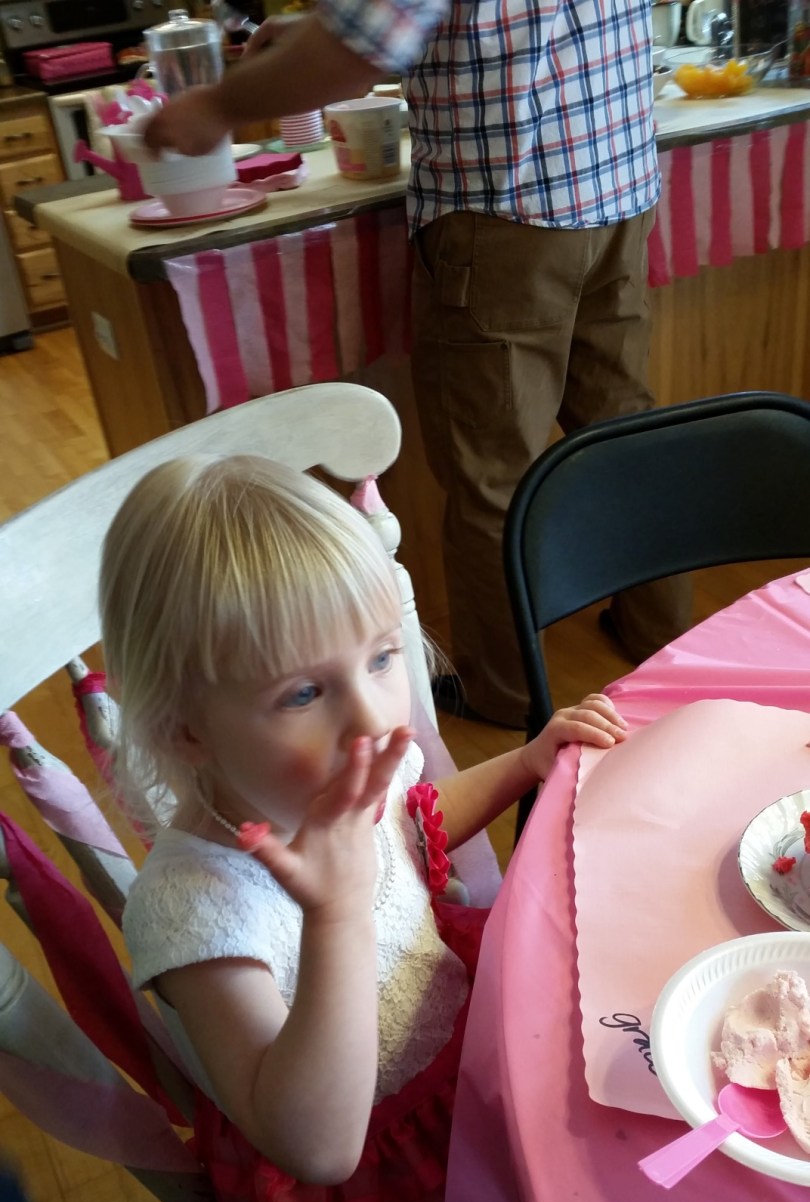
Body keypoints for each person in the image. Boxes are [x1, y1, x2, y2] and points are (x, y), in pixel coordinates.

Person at [100, 453, 627, 1202]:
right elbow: (316, 1142)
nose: (377, 719)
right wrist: (337, 914)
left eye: (385, 657)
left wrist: (521, 764)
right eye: (305, 690)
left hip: (475, 1064)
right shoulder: (196, 910)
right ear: (186, 730)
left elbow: (415, 830)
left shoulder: (338, 773)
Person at [144, 1, 692, 730]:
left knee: (494, 474)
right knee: (626, 434)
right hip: (615, 183)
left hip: (508, 207)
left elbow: (359, 50)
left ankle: (505, 692)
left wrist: (214, 106)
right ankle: (659, 630)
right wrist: (322, 33)